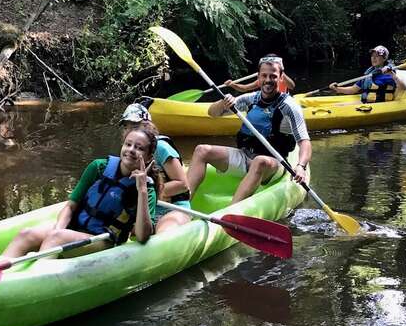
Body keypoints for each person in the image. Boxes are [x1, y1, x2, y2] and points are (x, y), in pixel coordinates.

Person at [2, 127, 159, 258]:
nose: (131, 150)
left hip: (103, 240)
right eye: (128, 144)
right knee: (26, 234)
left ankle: (33, 284)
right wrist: (59, 229)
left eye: (139, 148)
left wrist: (142, 191)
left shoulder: (147, 191)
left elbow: (142, 236)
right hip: (75, 227)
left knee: (56, 238)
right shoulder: (99, 167)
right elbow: (71, 206)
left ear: (148, 156)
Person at [186, 57, 312, 204]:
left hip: (273, 164)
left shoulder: (289, 106)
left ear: (281, 78)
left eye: (273, 76)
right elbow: (212, 113)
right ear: (258, 78)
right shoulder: (251, 99)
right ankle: (183, 203)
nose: (268, 80)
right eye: (264, 76)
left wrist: (301, 166)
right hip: (245, 156)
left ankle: (230, 213)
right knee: (201, 150)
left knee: (259, 161)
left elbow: (304, 141)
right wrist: (224, 102)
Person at [119, 101, 192, 233]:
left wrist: (149, 194)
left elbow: (183, 185)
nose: (129, 130)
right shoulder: (127, 151)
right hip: (144, 211)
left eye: (135, 126)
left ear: (147, 126)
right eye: (126, 126)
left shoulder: (161, 148)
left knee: (164, 234)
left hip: (171, 209)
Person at [329, 45, 406, 103]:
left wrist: (393, 75)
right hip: (365, 103)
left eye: (377, 56)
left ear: (384, 58)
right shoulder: (369, 73)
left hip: (379, 105)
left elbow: (403, 88)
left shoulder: (388, 74)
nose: (373, 58)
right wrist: (337, 88)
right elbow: (353, 89)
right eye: (372, 56)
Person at [224, 54, 295, 94]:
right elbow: (245, 88)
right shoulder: (262, 80)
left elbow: (292, 86)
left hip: (282, 103)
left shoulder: (282, 78)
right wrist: (232, 85)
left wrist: (281, 72)